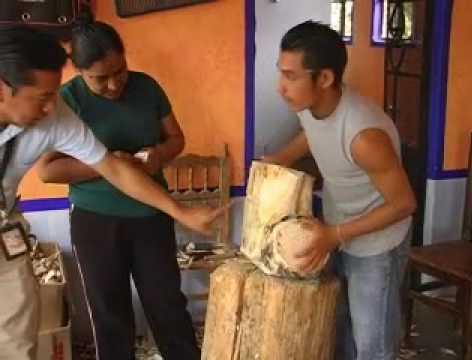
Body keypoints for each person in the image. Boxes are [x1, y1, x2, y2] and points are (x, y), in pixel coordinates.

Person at [0, 26, 222, 360]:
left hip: (5, 224)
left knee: (16, 334)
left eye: (53, 95)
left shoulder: (57, 113)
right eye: (42, 98)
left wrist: (182, 212)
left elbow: (114, 169)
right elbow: (51, 171)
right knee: (108, 308)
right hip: (94, 220)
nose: (51, 107)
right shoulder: (68, 101)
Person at [263, 21, 417, 360]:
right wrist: (279, 159)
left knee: (372, 346)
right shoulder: (310, 107)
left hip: (378, 244)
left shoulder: (365, 135)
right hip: (336, 229)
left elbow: (405, 203)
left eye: (291, 77)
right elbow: (313, 134)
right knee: (340, 330)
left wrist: (335, 234)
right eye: (281, 73)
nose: (281, 88)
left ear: (325, 78)